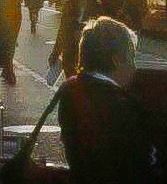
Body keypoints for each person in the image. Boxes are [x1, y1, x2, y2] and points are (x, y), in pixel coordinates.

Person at [58, 15, 160, 184]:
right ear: (117, 60)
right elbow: (142, 164)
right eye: (131, 58)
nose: (134, 67)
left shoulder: (70, 91)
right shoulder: (124, 107)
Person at [50, 0, 98, 80]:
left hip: (87, 56)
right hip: (70, 54)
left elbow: (100, 34)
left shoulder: (96, 10)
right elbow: (62, 32)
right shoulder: (69, 7)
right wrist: (55, 53)